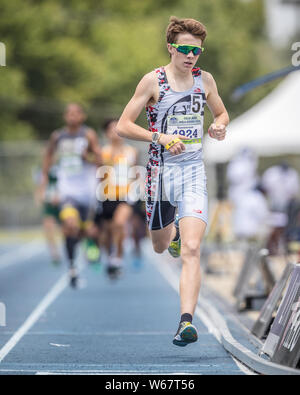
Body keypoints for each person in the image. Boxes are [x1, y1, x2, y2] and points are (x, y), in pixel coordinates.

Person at [116, 16, 229, 346]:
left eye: (196, 50)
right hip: (161, 174)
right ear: (171, 48)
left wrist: (219, 125)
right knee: (161, 245)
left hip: (193, 171)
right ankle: (173, 233)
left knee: (193, 249)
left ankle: (185, 322)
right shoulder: (153, 81)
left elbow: (221, 113)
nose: (190, 55)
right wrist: (160, 137)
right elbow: (123, 126)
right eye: (184, 49)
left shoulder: (205, 81)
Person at [39, 103, 102, 287]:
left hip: (87, 190)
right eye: (69, 113)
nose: (72, 116)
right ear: (65, 116)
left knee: (86, 230)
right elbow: (48, 157)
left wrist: (88, 158)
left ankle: (90, 243)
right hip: (67, 190)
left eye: (76, 113)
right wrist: (45, 182)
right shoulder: (58, 136)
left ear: (82, 116)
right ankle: (73, 268)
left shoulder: (88, 134)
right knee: (70, 225)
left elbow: (99, 160)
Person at [94, 118, 138, 279]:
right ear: (106, 133)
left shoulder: (131, 151)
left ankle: (118, 258)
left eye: (118, 129)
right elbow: (98, 172)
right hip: (106, 195)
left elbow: (135, 171)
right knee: (106, 233)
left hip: (126, 195)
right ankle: (110, 257)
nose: (116, 133)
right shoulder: (102, 151)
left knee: (119, 224)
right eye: (112, 129)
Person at [261, 162, 300, 255]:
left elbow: (294, 191)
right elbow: (267, 189)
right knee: (275, 230)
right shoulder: (272, 173)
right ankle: (273, 250)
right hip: (274, 207)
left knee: (286, 230)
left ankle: (284, 249)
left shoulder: (292, 174)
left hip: (288, 208)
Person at [35, 164, 61, 266]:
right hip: (48, 203)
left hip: (61, 202)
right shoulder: (40, 170)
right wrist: (39, 198)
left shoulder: (60, 167)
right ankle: (54, 253)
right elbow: (39, 186)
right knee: (48, 228)